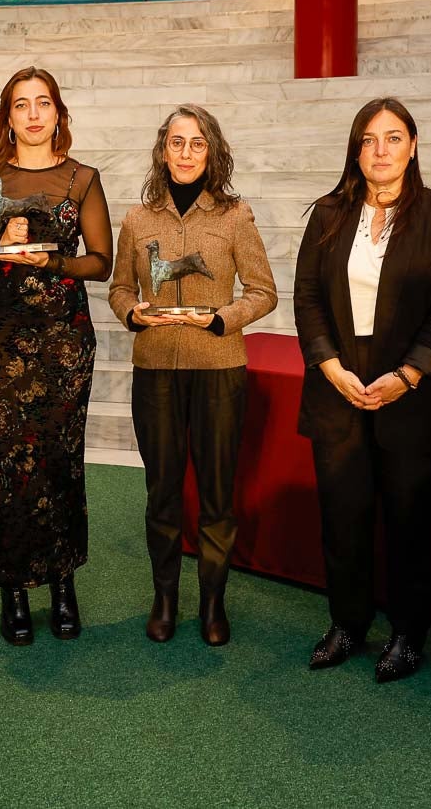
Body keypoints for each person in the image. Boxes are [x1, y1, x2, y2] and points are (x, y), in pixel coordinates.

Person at [292, 97, 431, 683]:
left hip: (413, 391)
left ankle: (407, 634)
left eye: (393, 138)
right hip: (338, 385)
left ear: (413, 146)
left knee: (411, 520)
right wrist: (328, 365)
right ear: (355, 149)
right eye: (369, 139)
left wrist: (408, 374)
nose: (380, 150)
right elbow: (307, 298)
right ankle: (347, 623)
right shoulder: (327, 213)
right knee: (343, 517)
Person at [0, 66, 112, 645]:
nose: (34, 114)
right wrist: (2, 246)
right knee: (4, 464)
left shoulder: (83, 178)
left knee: (60, 457)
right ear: (8, 116)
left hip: (63, 337)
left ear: (59, 113)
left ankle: (63, 584)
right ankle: (14, 590)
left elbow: (102, 261)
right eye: (22, 105)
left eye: (44, 103)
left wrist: (53, 262)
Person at [108, 104, 276, 646]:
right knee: (161, 490)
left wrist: (224, 318)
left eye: (196, 143)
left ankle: (212, 600)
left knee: (216, 492)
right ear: (163, 150)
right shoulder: (138, 219)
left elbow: (263, 292)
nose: (185, 153)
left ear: (212, 152)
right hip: (154, 369)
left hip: (218, 370)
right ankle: (164, 596)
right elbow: (119, 289)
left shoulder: (235, 216)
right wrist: (133, 313)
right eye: (176, 143)